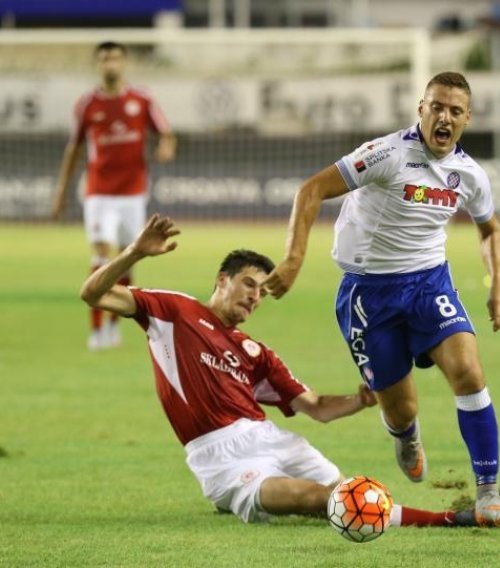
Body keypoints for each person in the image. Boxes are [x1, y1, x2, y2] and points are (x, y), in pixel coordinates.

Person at [80, 213, 471, 527]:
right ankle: (447, 519)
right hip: (221, 457)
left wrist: (362, 400)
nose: (254, 297)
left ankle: (440, 517)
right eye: (249, 284)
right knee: (322, 501)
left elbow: (315, 406)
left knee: (345, 492)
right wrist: (134, 252)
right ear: (222, 280)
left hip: (272, 439)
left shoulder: (255, 353)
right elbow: (92, 294)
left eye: (262, 292)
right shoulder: (175, 312)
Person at [265, 72, 500, 527]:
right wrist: (292, 260)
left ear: (467, 118)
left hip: (429, 285)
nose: (444, 117)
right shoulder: (386, 154)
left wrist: (499, 283)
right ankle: (405, 435)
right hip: (368, 294)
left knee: (468, 371)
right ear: (421, 109)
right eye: (436, 107)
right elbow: (312, 190)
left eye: (455, 111)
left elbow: (490, 231)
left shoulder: (469, 175)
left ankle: (489, 494)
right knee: (401, 408)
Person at [53, 41, 177, 351]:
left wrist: (166, 146)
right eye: (105, 58)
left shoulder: (142, 99)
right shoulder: (87, 104)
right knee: (99, 255)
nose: (110, 63)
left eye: (116, 58)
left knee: (127, 258)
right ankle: (96, 330)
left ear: (124, 63)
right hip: (98, 193)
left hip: (133, 194)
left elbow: (166, 132)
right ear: (98, 64)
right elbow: (74, 149)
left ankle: (113, 323)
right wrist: (61, 191)